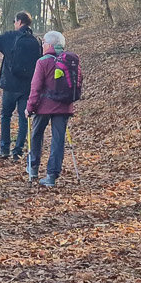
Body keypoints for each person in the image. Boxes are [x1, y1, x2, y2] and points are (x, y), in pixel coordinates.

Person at [0, 11, 44, 161]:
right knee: (23, 118)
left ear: (19, 22)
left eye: (15, 21)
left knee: (6, 116)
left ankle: (4, 148)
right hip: (27, 86)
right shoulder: (36, 41)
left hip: (10, 85)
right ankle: (18, 151)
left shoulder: (11, 37)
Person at [26, 30, 81, 188]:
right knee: (58, 140)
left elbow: (35, 88)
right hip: (64, 106)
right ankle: (51, 176)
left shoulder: (42, 62)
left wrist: (29, 108)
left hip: (43, 107)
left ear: (49, 44)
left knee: (36, 135)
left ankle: (33, 168)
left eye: (43, 42)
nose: (42, 45)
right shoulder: (71, 60)